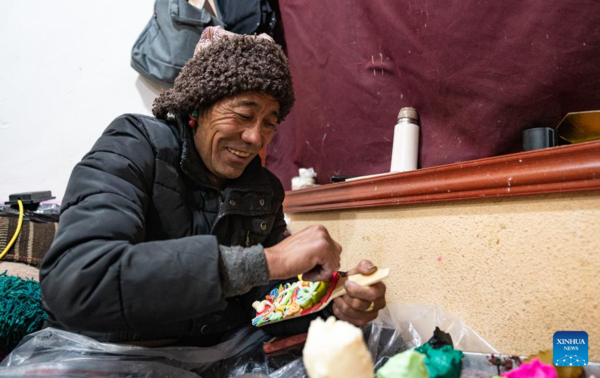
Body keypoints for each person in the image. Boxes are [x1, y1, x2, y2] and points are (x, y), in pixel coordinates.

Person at [40, 27, 386, 346]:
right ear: (198, 105)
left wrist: (332, 301)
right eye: (243, 114)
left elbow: (265, 304)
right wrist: (270, 259)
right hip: (109, 353)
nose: (255, 138)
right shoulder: (132, 145)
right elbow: (78, 280)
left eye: (269, 123)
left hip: (209, 357)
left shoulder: (263, 188)